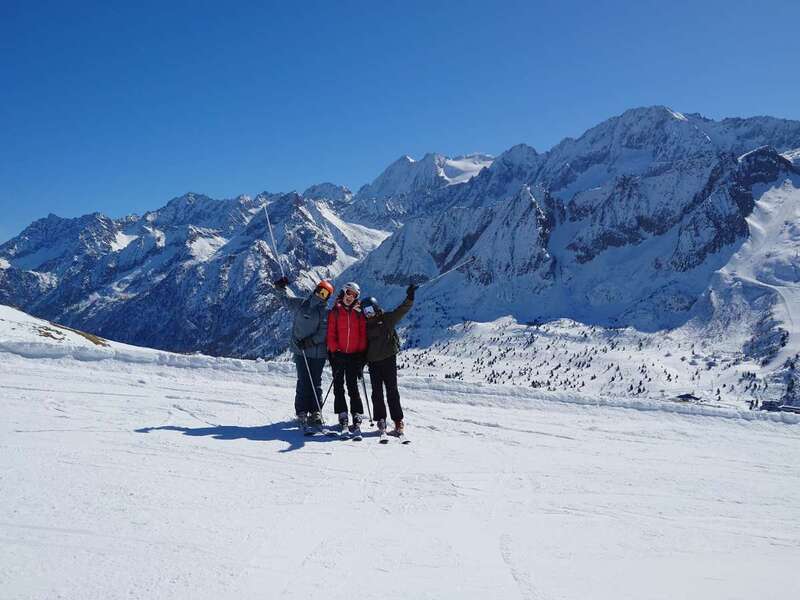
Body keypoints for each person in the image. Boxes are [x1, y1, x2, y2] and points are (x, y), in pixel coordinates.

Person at [273, 275, 333, 429]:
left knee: (315, 382)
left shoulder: (325, 312)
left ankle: (315, 412)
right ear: (316, 290)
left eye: (325, 294)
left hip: (317, 353)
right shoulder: (302, 304)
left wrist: (310, 341)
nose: (321, 295)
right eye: (320, 291)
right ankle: (301, 411)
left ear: (328, 297)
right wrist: (280, 288)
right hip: (301, 351)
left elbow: (323, 332)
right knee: (303, 381)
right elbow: (285, 300)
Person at [361, 283, 418, 437]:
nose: (368, 314)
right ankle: (381, 419)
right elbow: (362, 345)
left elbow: (402, 310)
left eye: (370, 310)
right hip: (373, 363)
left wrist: (410, 297)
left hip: (388, 360)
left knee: (392, 391)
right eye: (365, 311)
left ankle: (398, 420)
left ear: (376, 308)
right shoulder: (364, 326)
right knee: (377, 393)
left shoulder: (386, 319)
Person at [326, 282, 367, 436]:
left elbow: (362, 334)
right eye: (348, 293)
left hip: (354, 356)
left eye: (354, 295)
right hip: (338, 355)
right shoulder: (335, 312)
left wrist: (361, 354)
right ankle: (342, 415)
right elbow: (331, 334)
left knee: (353, 387)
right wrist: (335, 350)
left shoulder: (359, 313)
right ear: (343, 292)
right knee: (338, 386)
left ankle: (356, 415)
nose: (350, 297)